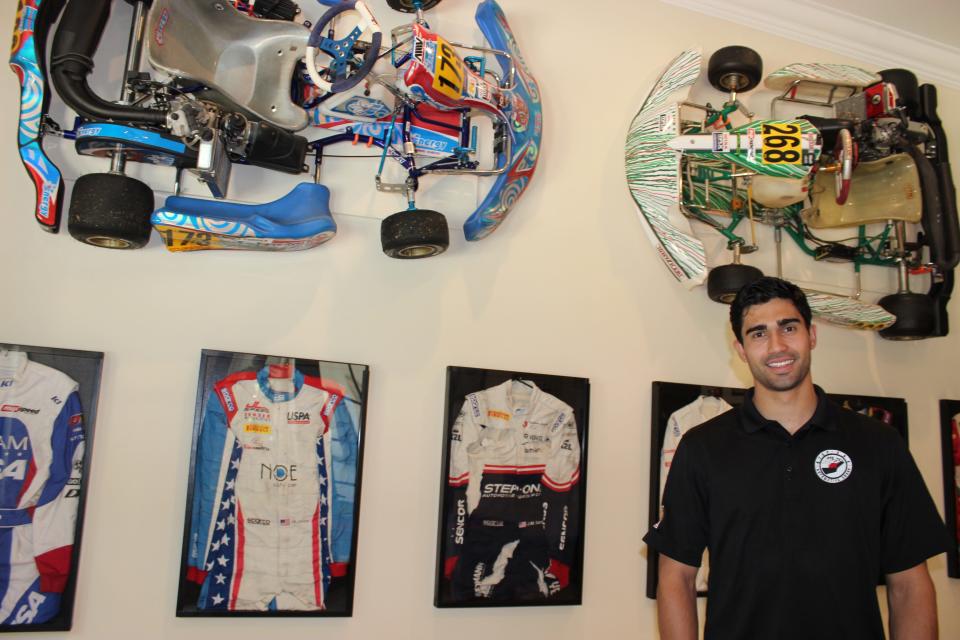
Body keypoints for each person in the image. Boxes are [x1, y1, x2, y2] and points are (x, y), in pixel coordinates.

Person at [644, 277, 948, 639]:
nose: (776, 345)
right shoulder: (703, 448)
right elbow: (676, 576)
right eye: (758, 333)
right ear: (740, 349)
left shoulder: (879, 444)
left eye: (788, 327)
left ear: (812, 335)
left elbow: (910, 585)